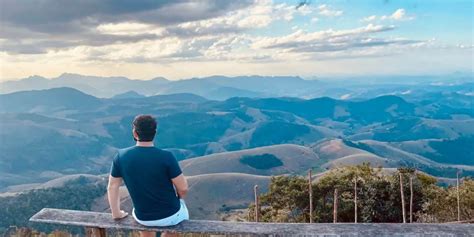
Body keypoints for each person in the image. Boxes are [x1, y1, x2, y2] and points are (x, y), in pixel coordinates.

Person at [107, 114, 189, 237]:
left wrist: (116, 213)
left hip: (142, 217)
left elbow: (112, 187)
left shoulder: (121, 156)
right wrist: (178, 197)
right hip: (171, 214)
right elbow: (183, 188)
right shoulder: (167, 156)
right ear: (155, 133)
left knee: (146, 225)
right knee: (178, 215)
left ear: (135, 133)